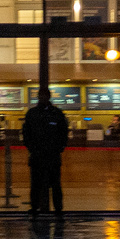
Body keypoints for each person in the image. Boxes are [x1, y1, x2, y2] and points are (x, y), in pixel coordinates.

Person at [22, 86, 70, 216]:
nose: (43, 98)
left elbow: (63, 133)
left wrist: (59, 148)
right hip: (42, 155)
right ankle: (42, 208)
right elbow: (26, 134)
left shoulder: (35, 114)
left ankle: (53, 208)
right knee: (42, 184)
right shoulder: (53, 113)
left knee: (50, 184)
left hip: (48, 155)